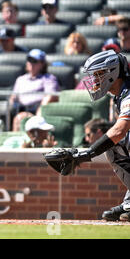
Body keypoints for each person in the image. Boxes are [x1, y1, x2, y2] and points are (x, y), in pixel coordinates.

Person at [47, 49, 130, 222]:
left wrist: (86, 154)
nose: (94, 80)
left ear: (111, 73)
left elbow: (119, 130)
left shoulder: (128, 93)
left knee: (117, 142)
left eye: (98, 74)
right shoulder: (121, 94)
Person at [9, 49, 59, 130]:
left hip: (39, 111)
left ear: (42, 64)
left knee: (20, 118)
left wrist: (39, 112)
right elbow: (13, 97)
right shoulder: (21, 79)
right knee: (18, 117)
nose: (31, 63)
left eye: (35, 61)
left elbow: (51, 96)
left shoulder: (48, 78)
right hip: (21, 109)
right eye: (29, 60)